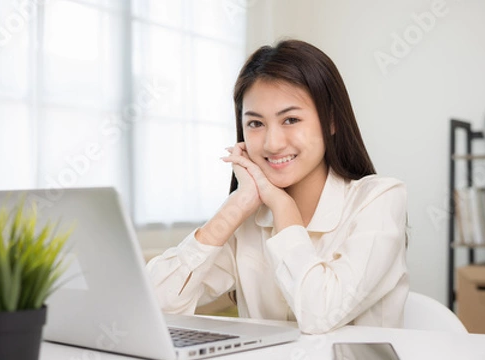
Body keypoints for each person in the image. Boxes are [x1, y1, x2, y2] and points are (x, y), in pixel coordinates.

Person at [146, 39, 408, 334]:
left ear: (331, 120)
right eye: (256, 124)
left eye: (291, 119)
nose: (272, 143)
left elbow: (319, 314)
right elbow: (152, 307)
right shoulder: (249, 217)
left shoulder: (380, 200)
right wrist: (234, 208)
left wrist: (283, 206)